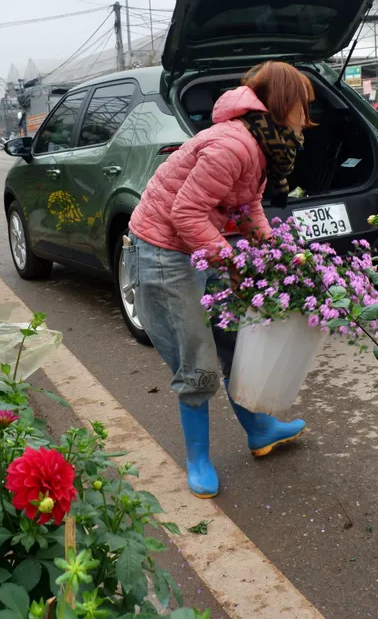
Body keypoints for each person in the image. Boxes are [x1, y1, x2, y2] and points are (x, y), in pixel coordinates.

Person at [126, 61, 315, 498]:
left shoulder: (262, 140)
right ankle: (198, 459)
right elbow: (185, 213)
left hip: (197, 243)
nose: (307, 115)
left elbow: (248, 205)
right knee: (197, 360)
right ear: (281, 103)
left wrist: (274, 251)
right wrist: (235, 261)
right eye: (302, 104)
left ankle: (260, 429)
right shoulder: (233, 145)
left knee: (232, 340)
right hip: (162, 250)